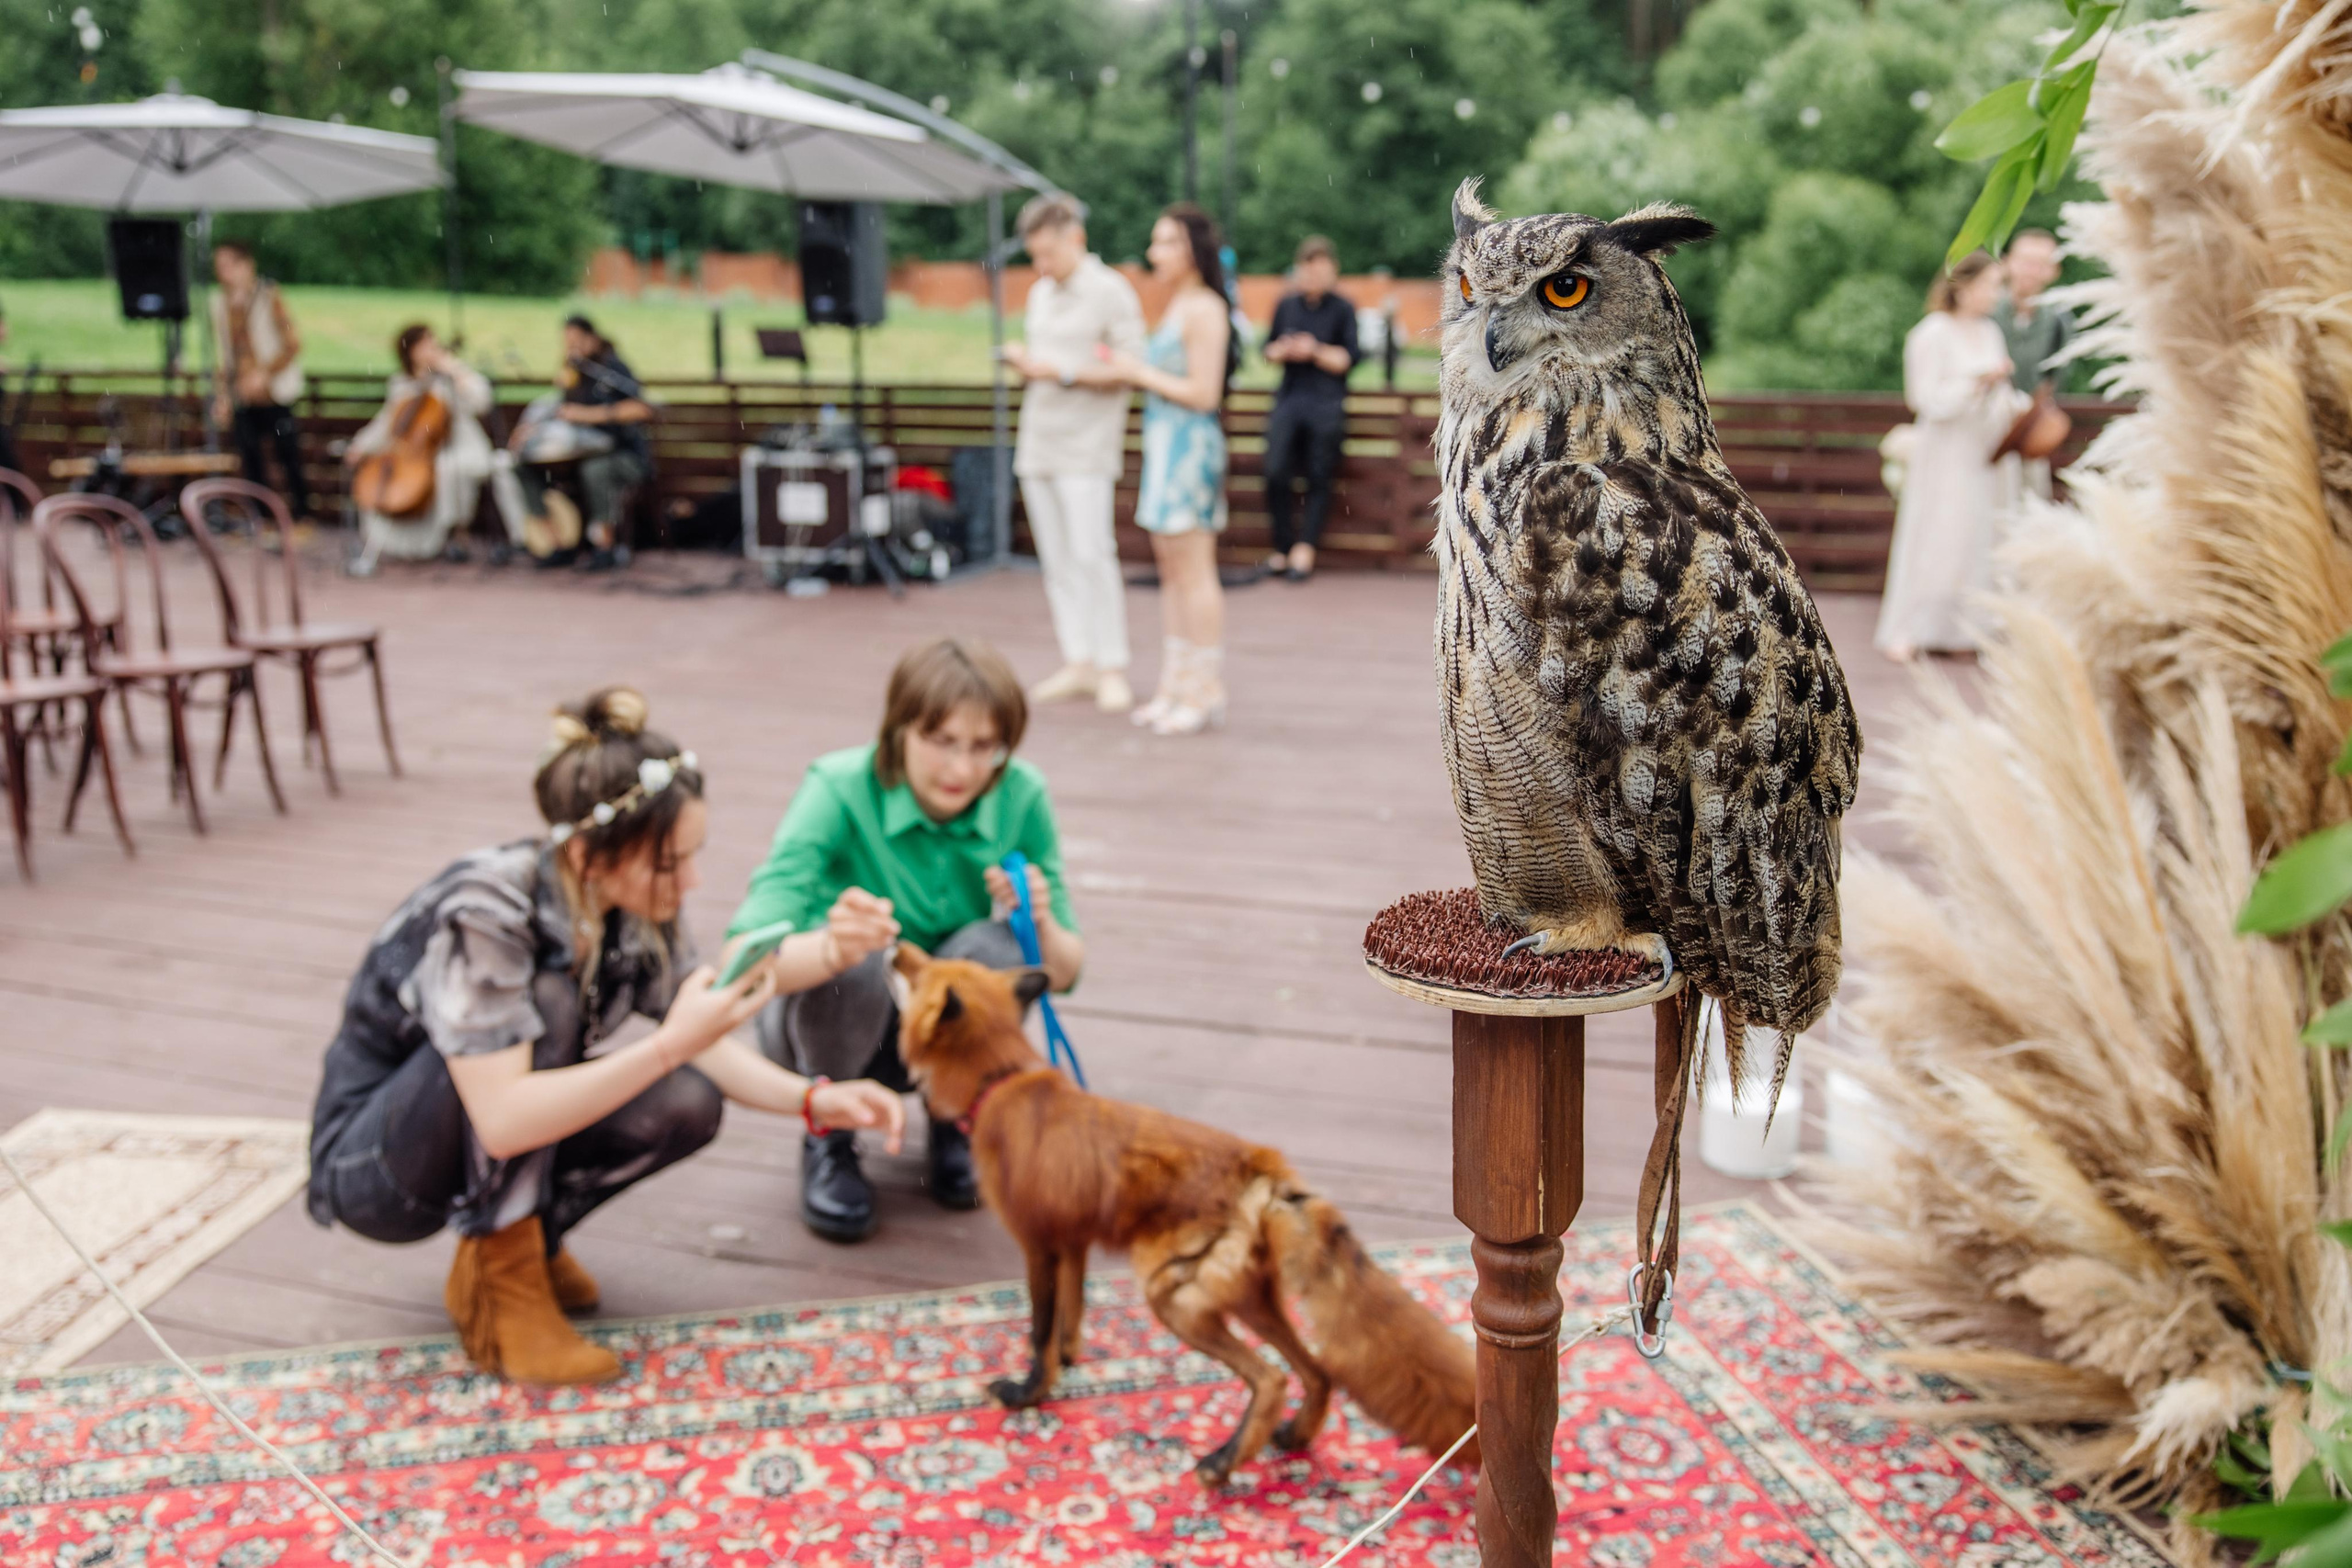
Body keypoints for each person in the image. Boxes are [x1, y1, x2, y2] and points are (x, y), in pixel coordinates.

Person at [303, 688, 906, 1385]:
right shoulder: (488, 908)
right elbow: (500, 1121)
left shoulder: (629, 902)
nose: (691, 880)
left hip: (474, 1145)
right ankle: (508, 1275)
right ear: (591, 854)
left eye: (692, 855)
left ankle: (530, 1237)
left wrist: (816, 1097)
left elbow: (705, 1017)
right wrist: (669, 1043)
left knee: (688, 1097)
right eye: (669, 863)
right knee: (552, 999)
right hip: (376, 1168)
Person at [729, 637, 1084, 1244]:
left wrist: (1041, 919)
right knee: (861, 954)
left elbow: (1067, 972)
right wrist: (832, 947)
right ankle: (829, 1133)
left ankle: (957, 1113)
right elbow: (740, 962)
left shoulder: (1020, 792)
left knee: (998, 950)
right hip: (827, 1026)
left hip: (940, 1033)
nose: (963, 770)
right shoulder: (838, 787)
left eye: (984, 747)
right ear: (898, 730)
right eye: (941, 741)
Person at [1000, 193, 1148, 715]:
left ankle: (1111, 666)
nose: (1041, 266)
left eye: (1049, 253)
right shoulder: (1041, 293)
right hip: (1038, 441)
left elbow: (1132, 366)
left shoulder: (1111, 291)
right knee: (1057, 561)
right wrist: (1026, 362)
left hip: (1086, 446)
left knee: (1091, 555)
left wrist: (1061, 372)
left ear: (1076, 239)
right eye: (1034, 255)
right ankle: (1078, 659)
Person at [1095, 203, 1234, 735]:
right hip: (1163, 446)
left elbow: (1204, 393)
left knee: (1195, 571)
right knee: (1172, 571)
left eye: (1166, 243)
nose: (1155, 253)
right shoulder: (1179, 304)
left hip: (1189, 449)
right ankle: (1175, 686)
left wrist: (1138, 372)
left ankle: (1205, 690)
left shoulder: (1206, 310)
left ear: (1193, 249)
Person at [1875, 252, 2027, 662]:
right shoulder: (1931, 334)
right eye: (1992, 284)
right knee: (1938, 535)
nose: (1998, 294)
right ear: (1963, 286)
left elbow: (2003, 394)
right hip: (1945, 455)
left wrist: (2016, 406)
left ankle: (1968, 631)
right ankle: (1911, 628)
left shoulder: (1992, 331)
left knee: (1979, 537)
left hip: (1984, 452)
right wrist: (1976, 383)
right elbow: (1924, 400)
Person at [343, 324, 495, 572]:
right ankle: (392, 545)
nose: (430, 350)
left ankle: (452, 537)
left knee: (446, 469)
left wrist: (453, 369)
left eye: (432, 344)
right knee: (379, 474)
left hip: (454, 445)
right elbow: (386, 422)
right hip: (414, 452)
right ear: (410, 351)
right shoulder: (401, 383)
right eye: (423, 345)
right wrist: (360, 445)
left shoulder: (447, 378)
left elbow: (482, 400)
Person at [511, 315, 652, 573]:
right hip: (578, 453)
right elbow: (557, 409)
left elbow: (642, 409)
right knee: (523, 466)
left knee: (595, 469)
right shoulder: (574, 374)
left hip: (623, 456)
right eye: (567, 343)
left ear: (592, 339)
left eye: (576, 342)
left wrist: (588, 415)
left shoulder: (611, 369)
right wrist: (531, 429)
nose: (571, 349)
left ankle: (604, 547)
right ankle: (557, 544)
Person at [1260, 236, 1358, 582]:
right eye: (1308, 268)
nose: (1313, 275)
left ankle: (1306, 548)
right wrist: (1285, 350)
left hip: (1325, 403)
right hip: (1289, 399)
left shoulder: (1344, 309)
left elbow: (1347, 359)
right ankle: (1282, 547)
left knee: (1320, 474)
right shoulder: (1286, 306)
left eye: (1320, 269)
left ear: (1332, 271)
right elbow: (1267, 350)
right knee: (1275, 470)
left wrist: (1314, 350)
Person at [209, 241, 311, 520]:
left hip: (275, 392)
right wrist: (223, 394)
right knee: (250, 459)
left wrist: (264, 374)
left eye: (229, 265)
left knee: (287, 455)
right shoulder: (219, 303)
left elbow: (293, 343)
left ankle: (302, 516)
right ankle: (262, 519)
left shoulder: (269, 295)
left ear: (247, 265)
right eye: (220, 267)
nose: (223, 273)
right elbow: (224, 356)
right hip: (242, 394)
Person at [1994, 230, 2073, 501]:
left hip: (2030, 426)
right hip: (1988, 423)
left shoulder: (2059, 319)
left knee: (2032, 497)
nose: (2032, 271)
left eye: (2041, 264)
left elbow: (2058, 374)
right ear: (2007, 263)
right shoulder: (1986, 310)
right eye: (2026, 261)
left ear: (2054, 271)